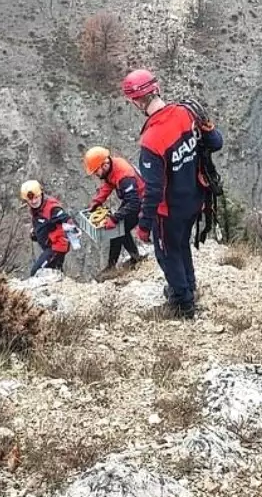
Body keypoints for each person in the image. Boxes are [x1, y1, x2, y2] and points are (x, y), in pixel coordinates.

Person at [122, 68, 224, 319]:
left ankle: (183, 303)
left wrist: (144, 226)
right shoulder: (186, 113)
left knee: (167, 252)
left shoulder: (151, 140)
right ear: (157, 89)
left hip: (170, 210)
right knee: (180, 246)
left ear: (136, 102)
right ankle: (187, 286)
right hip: (195, 199)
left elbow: (154, 190)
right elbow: (216, 143)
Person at [83, 146, 145, 274]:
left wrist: (114, 218)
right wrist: (98, 200)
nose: (95, 174)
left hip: (142, 202)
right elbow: (109, 183)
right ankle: (135, 257)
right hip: (134, 200)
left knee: (117, 230)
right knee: (121, 229)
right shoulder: (112, 166)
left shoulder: (124, 176)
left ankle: (112, 266)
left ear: (103, 166)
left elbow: (133, 203)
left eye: (96, 171)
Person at [21, 180, 74, 277]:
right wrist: (36, 233)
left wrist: (73, 229)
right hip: (49, 246)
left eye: (36, 197)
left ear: (41, 194)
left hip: (57, 247)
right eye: (30, 200)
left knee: (36, 272)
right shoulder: (36, 209)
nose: (34, 201)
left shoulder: (52, 208)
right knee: (54, 271)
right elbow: (43, 223)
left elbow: (66, 218)